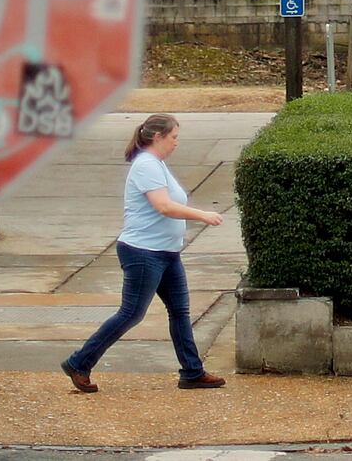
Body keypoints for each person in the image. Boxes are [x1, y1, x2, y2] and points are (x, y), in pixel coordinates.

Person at [61, 113, 227, 391]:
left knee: (179, 312)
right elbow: (163, 205)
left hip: (166, 253)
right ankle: (80, 363)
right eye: (173, 137)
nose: (176, 143)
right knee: (131, 313)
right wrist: (202, 215)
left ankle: (192, 371)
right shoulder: (146, 165)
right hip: (142, 253)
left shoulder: (158, 165)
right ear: (157, 137)